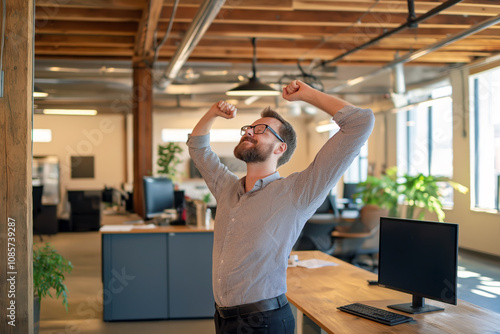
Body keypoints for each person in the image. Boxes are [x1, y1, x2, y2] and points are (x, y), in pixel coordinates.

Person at [187, 80, 374, 334]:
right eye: (247, 128)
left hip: (264, 321)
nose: (249, 132)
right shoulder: (227, 188)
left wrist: (308, 95)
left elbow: (360, 122)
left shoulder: (298, 191)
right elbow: (198, 147)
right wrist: (212, 113)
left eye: (261, 129)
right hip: (223, 317)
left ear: (280, 148)